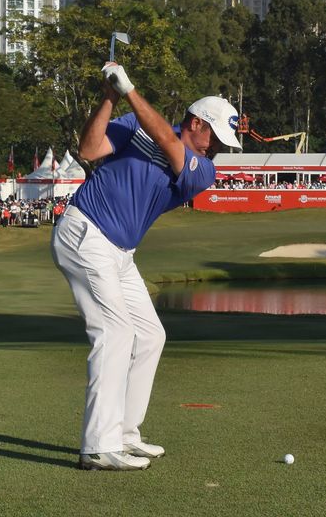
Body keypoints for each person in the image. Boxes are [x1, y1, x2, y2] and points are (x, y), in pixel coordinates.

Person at [51, 61, 241, 471]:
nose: (217, 150)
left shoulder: (200, 171)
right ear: (196, 123)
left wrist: (131, 90)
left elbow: (169, 146)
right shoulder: (133, 126)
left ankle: (123, 434)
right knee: (116, 331)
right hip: (86, 233)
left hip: (121, 253)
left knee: (150, 335)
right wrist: (109, 96)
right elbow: (88, 150)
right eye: (216, 139)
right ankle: (98, 446)